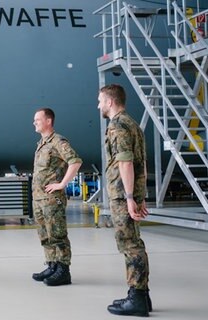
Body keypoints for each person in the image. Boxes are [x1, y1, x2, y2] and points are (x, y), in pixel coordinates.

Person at [98, 84, 151, 317]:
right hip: (131, 192)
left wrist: (129, 198)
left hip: (122, 194)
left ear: (110, 102)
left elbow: (126, 162)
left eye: (100, 100)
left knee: (130, 244)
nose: (98, 105)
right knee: (133, 242)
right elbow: (143, 163)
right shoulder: (133, 124)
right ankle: (141, 295)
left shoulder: (117, 126)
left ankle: (137, 298)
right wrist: (140, 195)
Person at [31, 108, 82, 286]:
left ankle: (63, 270)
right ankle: (52, 265)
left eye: (38, 119)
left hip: (52, 199)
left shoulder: (58, 141)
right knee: (45, 235)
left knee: (57, 234)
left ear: (48, 121)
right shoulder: (42, 143)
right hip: (39, 199)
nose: (34, 122)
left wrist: (62, 184)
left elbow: (75, 161)